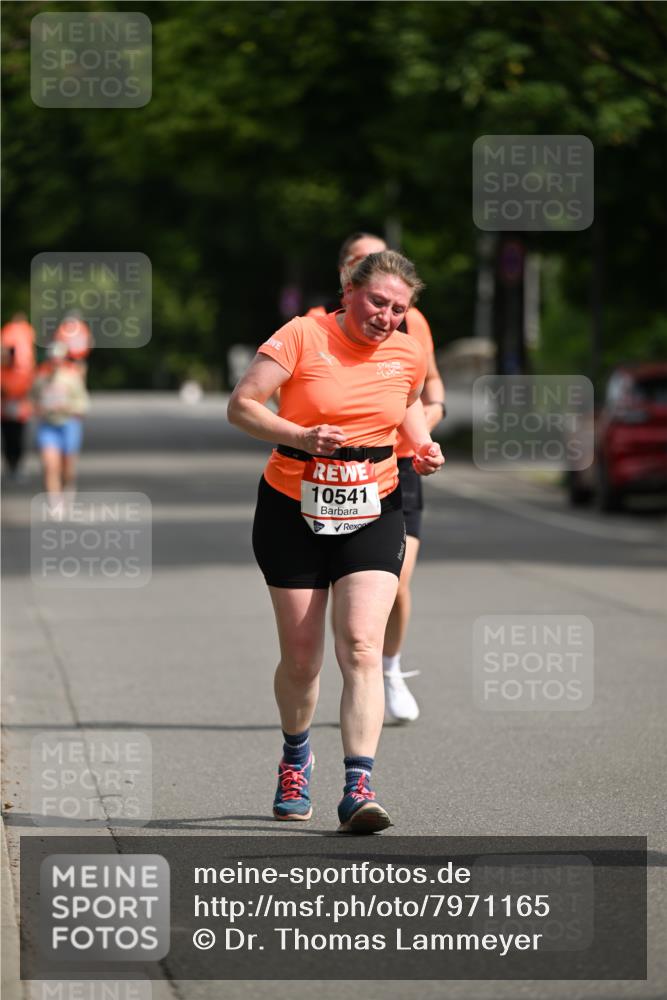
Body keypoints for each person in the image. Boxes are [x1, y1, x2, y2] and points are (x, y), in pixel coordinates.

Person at [228, 251, 444, 833]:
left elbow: (407, 402)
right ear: (349, 290)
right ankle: (296, 757)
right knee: (302, 659)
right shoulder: (302, 335)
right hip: (291, 506)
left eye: (399, 309)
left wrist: (421, 444)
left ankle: (358, 786)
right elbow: (242, 406)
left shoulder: (408, 349)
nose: (387, 317)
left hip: (374, 504)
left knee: (361, 646)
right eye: (378, 302)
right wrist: (300, 434)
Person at [309, 233, 446, 723]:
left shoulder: (410, 322)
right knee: (343, 584)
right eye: (358, 261)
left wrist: (421, 435)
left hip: (400, 463)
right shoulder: (312, 325)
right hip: (337, 471)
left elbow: (429, 391)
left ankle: (386, 668)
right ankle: (350, 665)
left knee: (395, 580)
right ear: (348, 277)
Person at [32, 341, 90, 508]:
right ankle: (54, 501)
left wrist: (67, 406)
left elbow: (84, 404)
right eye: (52, 358)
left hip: (69, 424)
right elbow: (31, 400)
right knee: (51, 465)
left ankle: (68, 486)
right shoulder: (41, 379)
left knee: (67, 466)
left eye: (58, 358)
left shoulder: (72, 378)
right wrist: (39, 407)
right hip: (48, 425)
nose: (55, 362)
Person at [1, 312, 36, 478]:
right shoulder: (21, 331)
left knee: (18, 434)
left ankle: (16, 463)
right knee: (9, 435)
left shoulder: (21, 369)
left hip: (18, 404)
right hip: (6, 404)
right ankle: (10, 464)